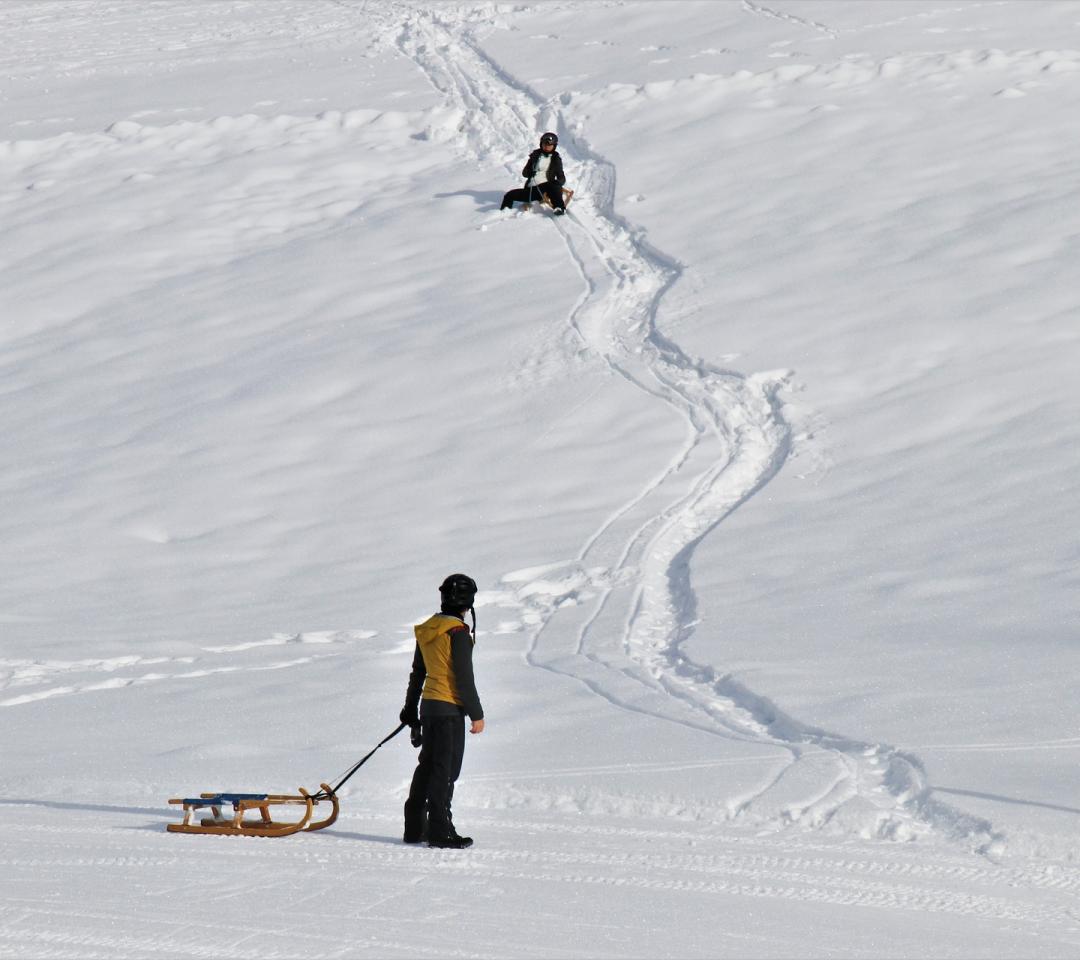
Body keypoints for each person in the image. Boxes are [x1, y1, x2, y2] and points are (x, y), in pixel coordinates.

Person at [400, 574, 485, 848]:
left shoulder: (428, 629)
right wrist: (476, 713)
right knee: (445, 771)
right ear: (468, 602)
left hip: (428, 708)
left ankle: (415, 827)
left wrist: (410, 710)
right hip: (449, 710)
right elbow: (463, 677)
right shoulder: (457, 632)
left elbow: (418, 673)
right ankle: (440, 830)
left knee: (427, 767)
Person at [500, 131, 567, 215]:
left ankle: (559, 208)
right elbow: (524, 173)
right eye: (544, 144)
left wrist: (556, 184)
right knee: (509, 195)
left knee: (554, 185)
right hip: (531, 189)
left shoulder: (556, 159)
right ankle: (503, 213)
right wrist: (529, 172)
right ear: (541, 144)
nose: (546, 147)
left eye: (549, 145)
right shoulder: (535, 155)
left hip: (546, 188)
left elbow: (562, 178)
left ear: (554, 146)